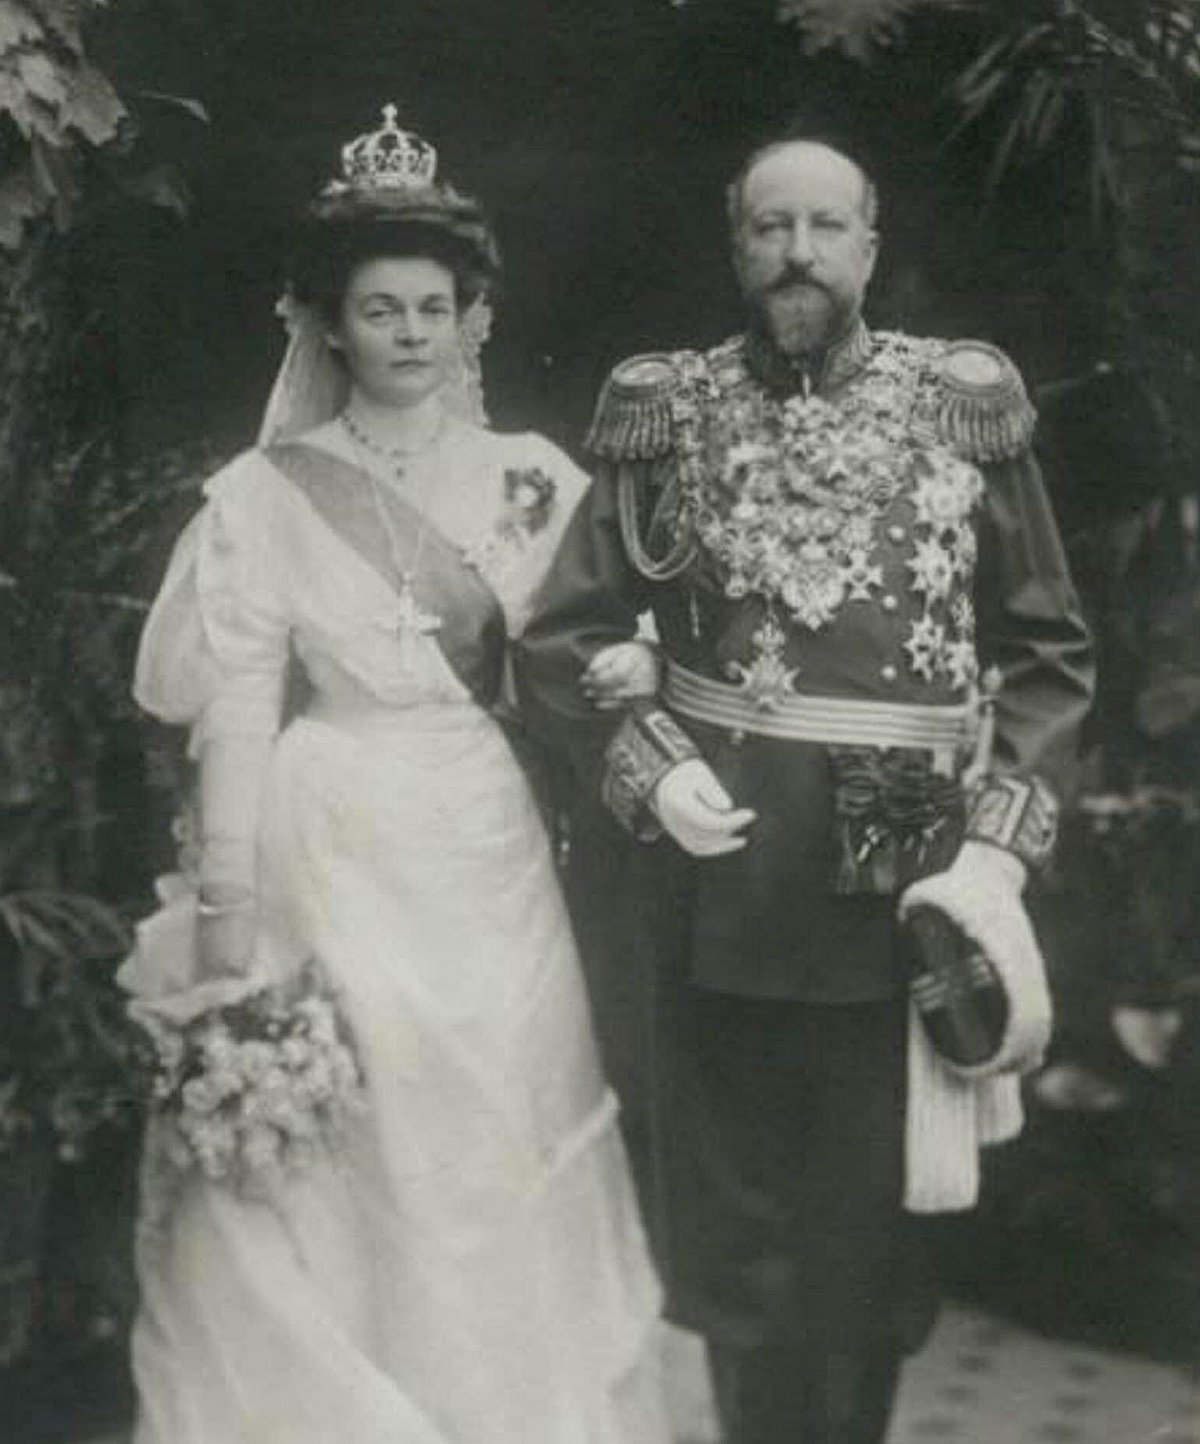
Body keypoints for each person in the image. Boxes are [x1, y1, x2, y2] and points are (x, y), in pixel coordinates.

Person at [515, 136, 1095, 1444]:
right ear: (736, 245)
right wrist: (650, 774)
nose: (798, 255)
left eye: (826, 227)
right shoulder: (667, 413)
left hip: (909, 894)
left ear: (871, 246)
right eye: (772, 227)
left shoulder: (961, 405)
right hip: (720, 879)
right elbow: (559, 642)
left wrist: (998, 853)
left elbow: (1050, 655)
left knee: (872, 1243)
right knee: (738, 1243)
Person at [118, 107, 671, 1444]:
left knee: (492, 1111)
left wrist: (631, 675)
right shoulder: (265, 492)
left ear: (471, 317)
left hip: (487, 830)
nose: (411, 332)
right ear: (329, 324)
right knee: (357, 1124)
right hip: (332, 832)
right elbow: (238, 701)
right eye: (381, 308)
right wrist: (227, 903)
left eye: (436, 305)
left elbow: (584, 651)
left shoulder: (533, 481)